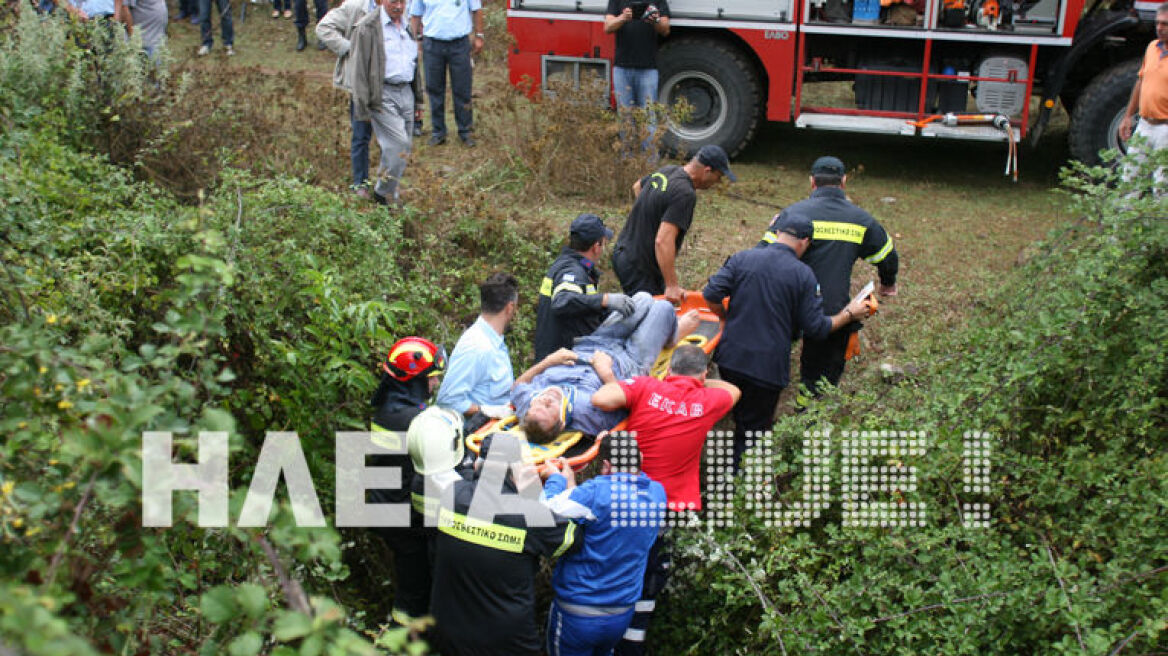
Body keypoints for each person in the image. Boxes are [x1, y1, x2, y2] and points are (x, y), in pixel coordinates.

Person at [589, 345, 739, 655]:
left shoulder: (647, 387)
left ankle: (602, 638)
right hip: (669, 508)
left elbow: (601, 398)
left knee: (615, 566)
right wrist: (699, 383)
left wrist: (608, 373)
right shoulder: (707, 401)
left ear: (669, 369)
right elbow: (733, 390)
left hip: (627, 497)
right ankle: (632, 643)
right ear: (704, 372)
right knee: (650, 575)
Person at [706, 214, 872, 470]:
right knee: (751, 432)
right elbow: (817, 328)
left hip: (730, 359)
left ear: (778, 232)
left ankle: (711, 472)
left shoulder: (743, 258)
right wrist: (849, 313)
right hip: (766, 370)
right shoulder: (803, 276)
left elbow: (711, 294)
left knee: (725, 418)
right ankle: (737, 487)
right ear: (805, 242)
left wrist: (726, 319)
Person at [758, 156, 899, 408]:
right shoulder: (862, 219)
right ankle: (810, 410)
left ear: (812, 182)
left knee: (769, 354)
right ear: (843, 182)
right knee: (821, 372)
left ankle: (764, 393)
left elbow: (761, 254)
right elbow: (888, 256)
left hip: (784, 304)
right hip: (830, 307)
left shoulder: (791, 214)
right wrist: (888, 284)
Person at [428, 432, 577, 656]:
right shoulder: (529, 515)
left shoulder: (451, 495)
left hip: (448, 633)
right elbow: (571, 540)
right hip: (506, 641)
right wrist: (564, 487)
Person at [512, 293, 700, 442]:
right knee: (663, 308)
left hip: (594, 343)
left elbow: (516, 387)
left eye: (539, 402)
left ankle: (664, 331)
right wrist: (606, 373)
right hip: (628, 360)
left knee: (642, 299)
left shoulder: (528, 404)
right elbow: (632, 407)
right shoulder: (588, 413)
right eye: (549, 406)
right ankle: (672, 337)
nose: (546, 398)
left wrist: (548, 361)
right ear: (561, 424)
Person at [540, 435, 667, 656]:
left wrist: (556, 480)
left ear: (606, 465)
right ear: (640, 459)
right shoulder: (658, 494)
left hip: (578, 612)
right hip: (621, 614)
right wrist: (573, 488)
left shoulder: (597, 492)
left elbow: (546, 511)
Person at [367, 337, 448, 626]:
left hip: (385, 504)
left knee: (409, 577)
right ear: (414, 380)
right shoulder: (415, 420)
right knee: (415, 588)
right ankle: (403, 638)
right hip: (404, 517)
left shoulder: (388, 407)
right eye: (431, 378)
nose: (435, 385)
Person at [318, 0, 418, 206]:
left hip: (400, 88)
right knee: (362, 134)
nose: (399, 5)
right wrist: (350, 49)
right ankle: (361, 184)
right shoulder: (356, 8)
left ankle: (387, 185)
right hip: (367, 86)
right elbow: (324, 27)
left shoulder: (404, 18)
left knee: (397, 144)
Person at [610, 144, 736, 304]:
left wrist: (648, 218)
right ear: (707, 170)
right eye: (718, 176)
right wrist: (671, 285)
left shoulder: (667, 171)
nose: (717, 182)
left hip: (624, 252)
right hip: (639, 266)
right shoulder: (685, 193)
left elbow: (638, 186)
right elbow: (662, 241)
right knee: (650, 317)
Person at [533, 213, 637, 362]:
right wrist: (605, 300)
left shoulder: (575, 266)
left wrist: (609, 308)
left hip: (559, 355)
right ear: (596, 246)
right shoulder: (571, 270)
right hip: (560, 362)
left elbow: (582, 307)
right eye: (603, 243)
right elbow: (563, 301)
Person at [437, 272, 520, 432]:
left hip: (499, 430)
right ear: (510, 308)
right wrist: (487, 411)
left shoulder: (494, 340)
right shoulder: (477, 347)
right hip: (477, 439)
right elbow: (447, 401)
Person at [409, 0, 483, 147]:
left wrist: (479, 35)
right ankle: (438, 132)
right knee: (434, 89)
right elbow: (415, 15)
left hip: (460, 44)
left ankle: (465, 132)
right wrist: (413, 39)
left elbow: (477, 9)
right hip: (432, 44)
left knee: (463, 89)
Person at [603, 0, 670, 150]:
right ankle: (628, 163)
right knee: (625, 118)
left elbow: (665, 29)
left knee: (648, 119)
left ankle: (649, 164)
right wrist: (622, 18)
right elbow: (607, 27)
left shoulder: (657, 1)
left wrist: (655, 20)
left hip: (648, 69)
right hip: (622, 69)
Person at [1118, 2, 1168, 185]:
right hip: (1145, 125)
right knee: (1129, 179)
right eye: (1157, 23)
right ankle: (1126, 214)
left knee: (1162, 186)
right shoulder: (1152, 47)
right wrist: (1128, 116)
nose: (1160, 28)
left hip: (1166, 129)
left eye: (1165, 24)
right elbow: (1141, 81)